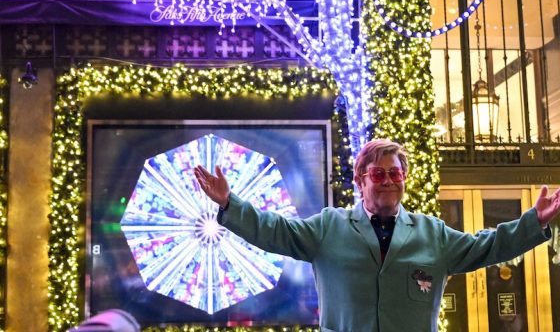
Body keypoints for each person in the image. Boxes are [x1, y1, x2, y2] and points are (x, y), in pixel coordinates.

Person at [194, 138, 560, 332]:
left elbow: (488, 245)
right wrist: (230, 203)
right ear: (359, 181)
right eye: (377, 174)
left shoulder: (432, 234)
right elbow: (275, 231)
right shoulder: (328, 227)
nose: (388, 180)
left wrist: (534, 222)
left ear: (404, 179)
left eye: (395, 173)